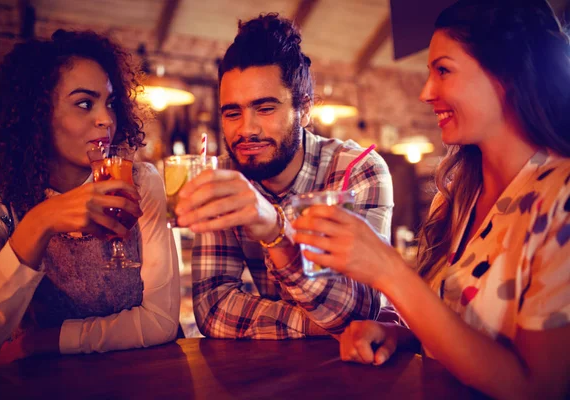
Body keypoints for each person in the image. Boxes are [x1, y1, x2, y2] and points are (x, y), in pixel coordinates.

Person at [292, 0, 570, 398]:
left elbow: (539, 388)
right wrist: (399, 333)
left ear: (506, 75)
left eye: (443, 70)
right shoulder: (455, 196)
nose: (426, 92)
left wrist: (389, 270)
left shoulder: (561, 197)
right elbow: (458, 322)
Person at [0, 30, 180, 375]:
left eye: (110, 103)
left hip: (147, 378)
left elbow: (159, 322)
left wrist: (37, 342)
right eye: (85, 103)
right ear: (35, 115)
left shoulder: (139, 180)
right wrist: (38, 224)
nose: (106, 120)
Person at [176, 14, 393, 339]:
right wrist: (312, 324)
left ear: (304, 109)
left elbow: (360, 311)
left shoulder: (356, 170)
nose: (246, 129)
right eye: (233, 112)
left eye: (265, 109)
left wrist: (274, 230)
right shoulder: (220, 177)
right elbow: (212, 307)